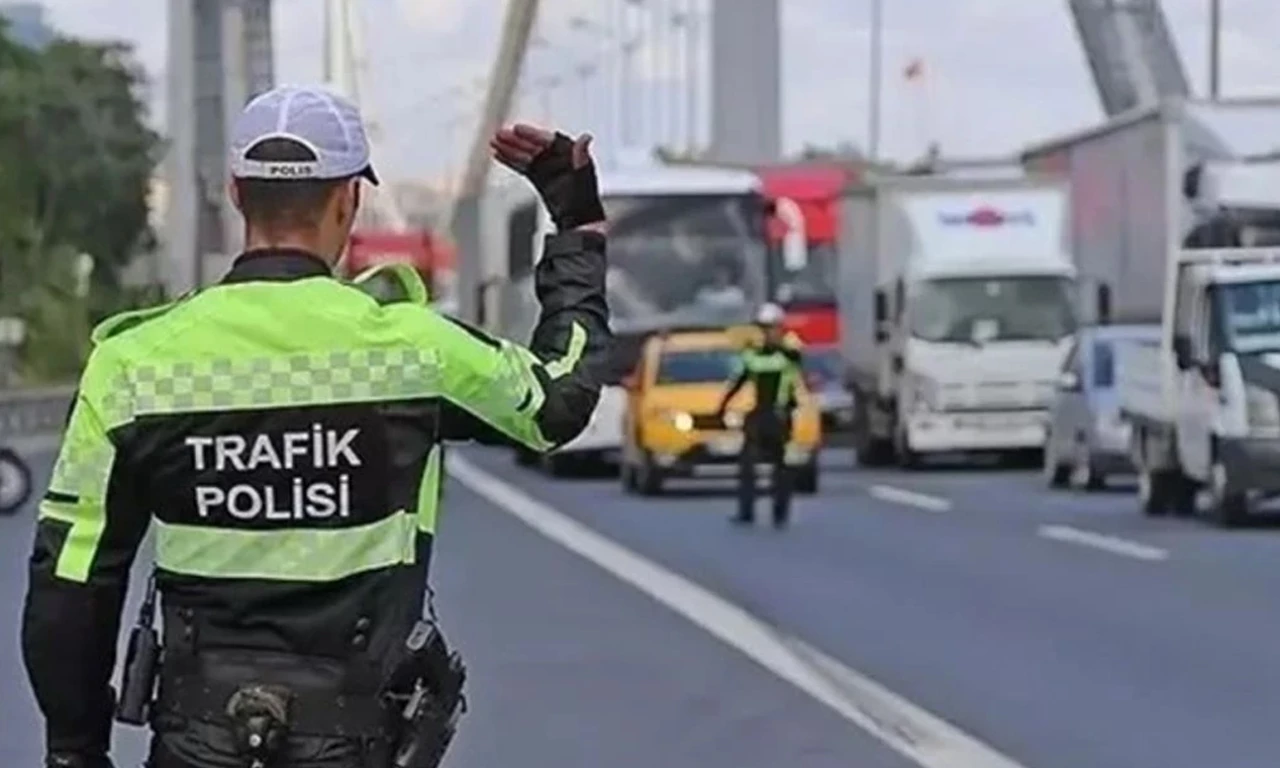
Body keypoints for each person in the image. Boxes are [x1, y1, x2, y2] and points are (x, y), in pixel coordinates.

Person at [21, 84, 611, 768]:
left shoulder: (131, 365)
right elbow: (557, 402)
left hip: (195, 739)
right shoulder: (411, 351)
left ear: (238, 195)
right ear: (349, 200)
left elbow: (70, 580)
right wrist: (576, 227)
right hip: (356, 740)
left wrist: (74, 751)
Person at [715, 303, 803, 529]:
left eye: (771, 328)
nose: (767, 333)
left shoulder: (789, 354)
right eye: (764, 328)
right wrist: (722, 407)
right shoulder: (752, 355)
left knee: (781, 468)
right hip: (760, 413)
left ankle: (780, 513)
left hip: (781, 415)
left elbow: (795, 372)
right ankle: (746, 511)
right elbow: (738, 382)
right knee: (747, 464)